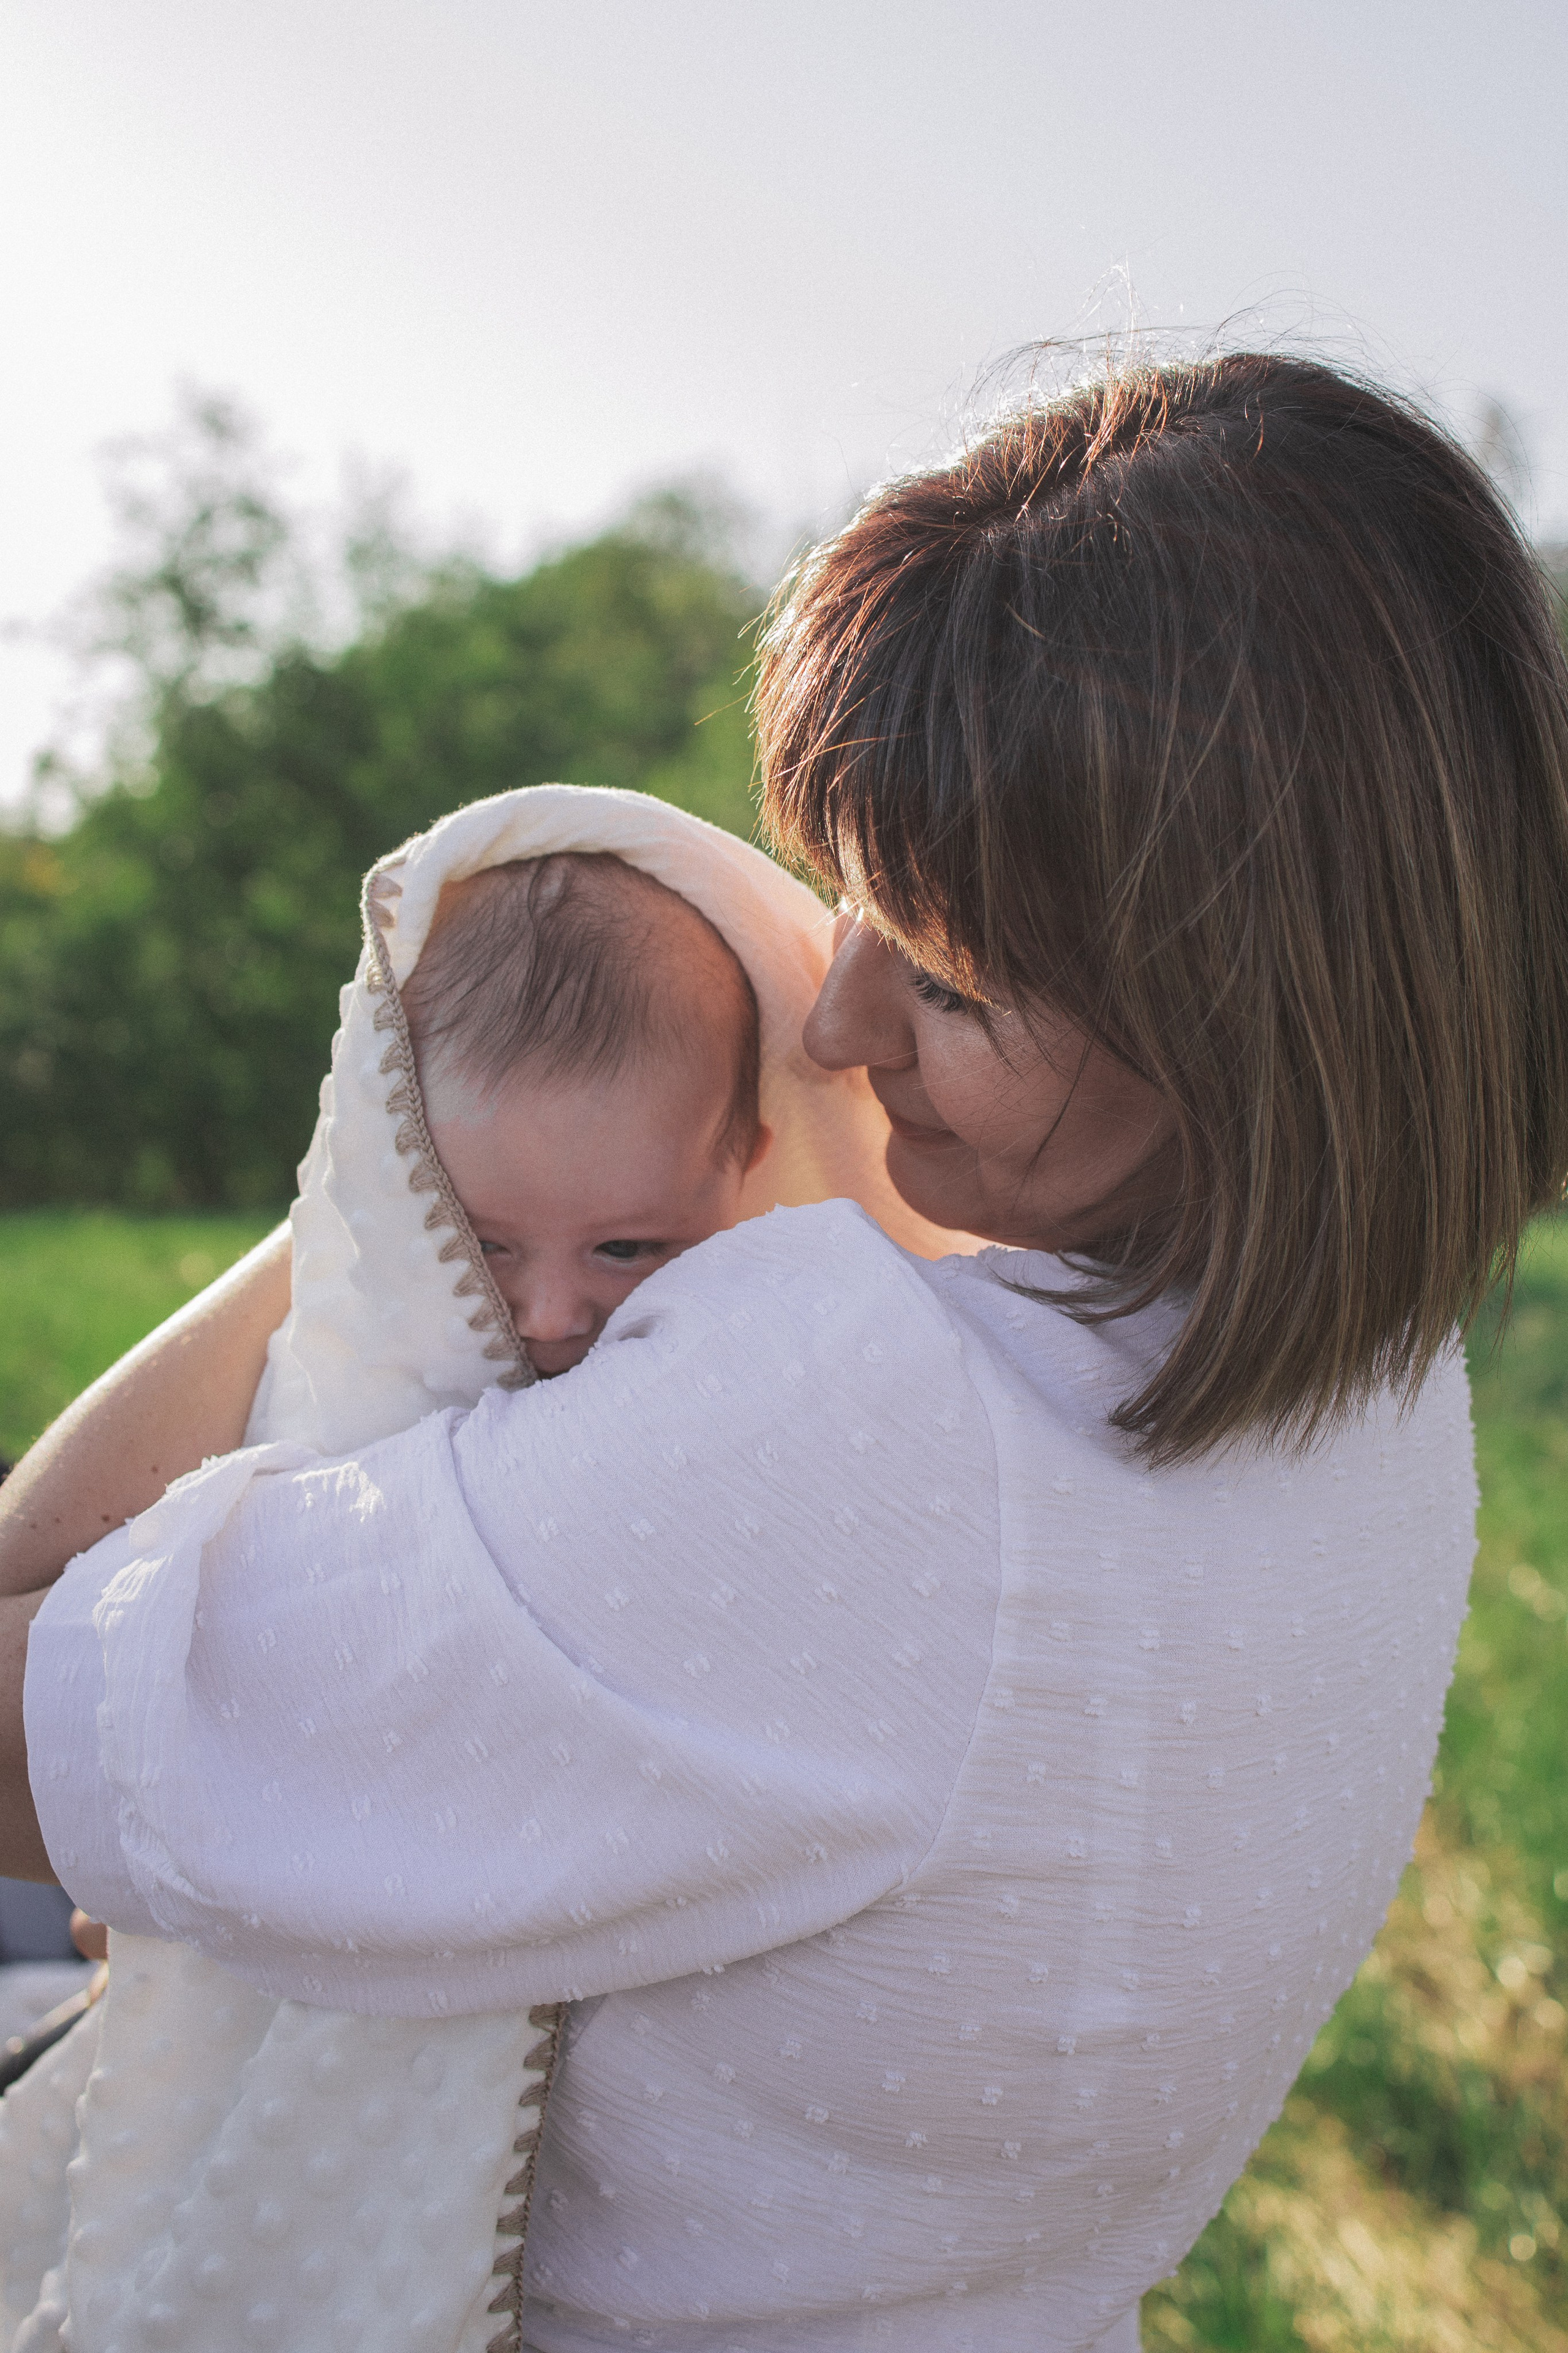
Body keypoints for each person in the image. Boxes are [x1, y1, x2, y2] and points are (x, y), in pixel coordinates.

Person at [3, 351, 1567, 2353]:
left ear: (1253, 1023)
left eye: (953, 979)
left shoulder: (871, 1427)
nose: (832, 1025)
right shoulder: (1392, 1404)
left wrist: (392, 1193)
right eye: (848, 903)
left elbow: (39, 1675)